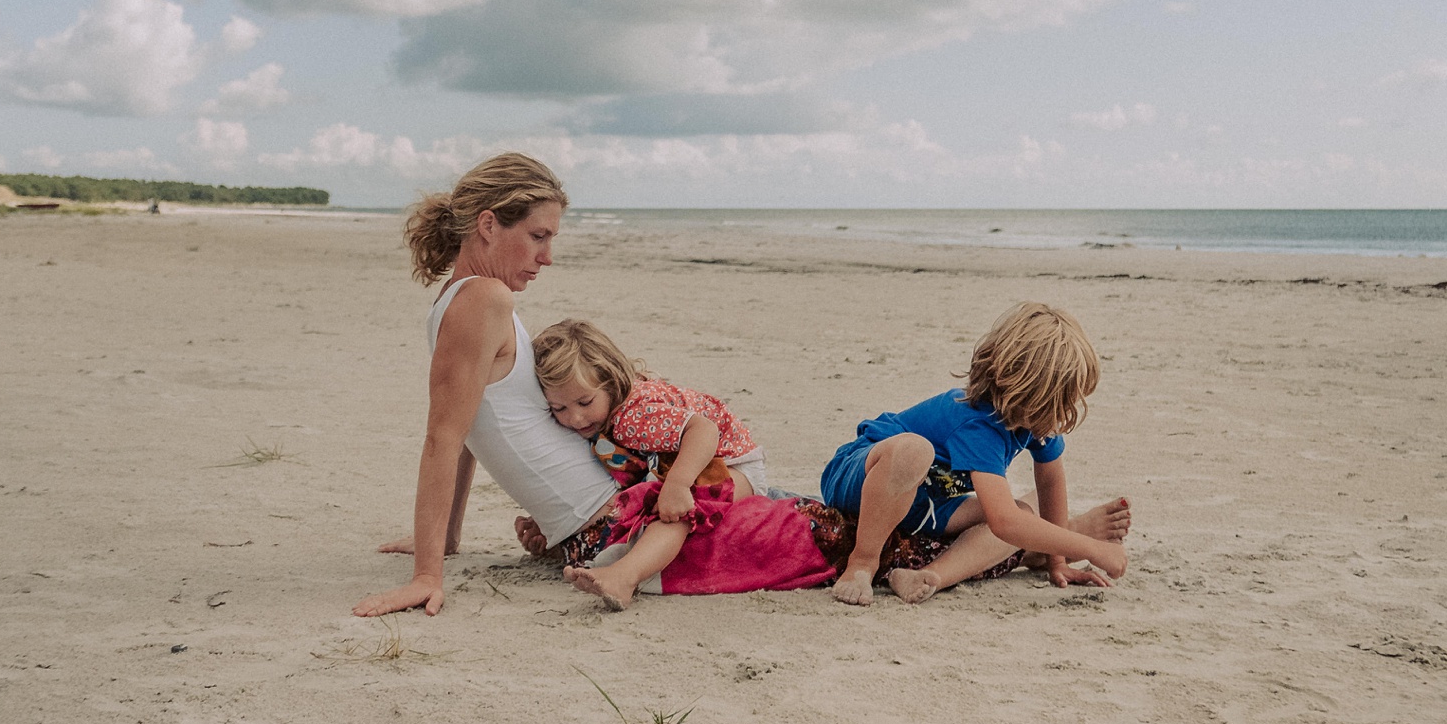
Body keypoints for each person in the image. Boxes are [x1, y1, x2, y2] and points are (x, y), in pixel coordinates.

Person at [354, 152, 620, 618]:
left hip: (601, 527)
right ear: (489, 225)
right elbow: (443, 438)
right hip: (618, 526)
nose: (548, 257)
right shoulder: (484, 298)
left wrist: (447, 538)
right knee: (786, 524)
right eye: (538, 236)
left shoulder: (463, 300)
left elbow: (469, 430)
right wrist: (425, 576)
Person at [819, 301, 1129, 605]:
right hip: (865, 478)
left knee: (1025, 512)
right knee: (915, 452)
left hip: (928, 504)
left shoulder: (1033, 422)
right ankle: (862, 563)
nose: (1066, 412)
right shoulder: (976, 422)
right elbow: (1002, 521)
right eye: (1062, 401)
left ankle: (928, 576)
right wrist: (1092, 548)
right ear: (1031, 394)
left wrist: (1058, 562)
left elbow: (1050, 480)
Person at [531, 319, 767, 609]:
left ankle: (625, 577)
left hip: (734, 463)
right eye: (559, 408)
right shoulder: (603, 417)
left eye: (584, 402)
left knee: (679, 509)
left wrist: (678, 486)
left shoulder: (633, 416)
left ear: (610, 381)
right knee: (651, 502)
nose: (576, 418)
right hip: (686, 462)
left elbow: (704, 430)